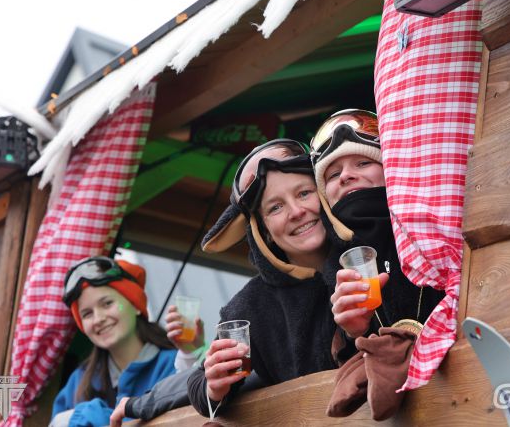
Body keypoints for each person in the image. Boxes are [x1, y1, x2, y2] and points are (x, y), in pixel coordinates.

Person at [185, 139, 339, 418]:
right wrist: (215, 385)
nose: (296, 211)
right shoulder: (250, 306)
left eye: (304, 193)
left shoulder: (372, 252)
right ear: (263, 229)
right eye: (275, 208)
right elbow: (199, 385)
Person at [309, 109, 445, 345]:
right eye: (333, 174)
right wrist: (354, 333)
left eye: (363, 162)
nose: (345, 176)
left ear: (392, 169)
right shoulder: (333, 272)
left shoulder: (439, 227)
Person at [50, 257, 203, 426]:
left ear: (136, 305)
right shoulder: (78, 380)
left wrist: (90, 414)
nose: (98, 319)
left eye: (107, 304)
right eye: (87, 314)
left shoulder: (178, 363)